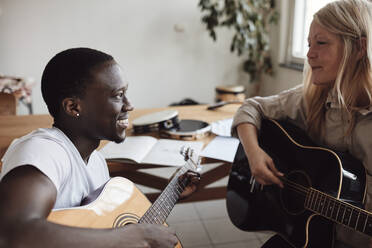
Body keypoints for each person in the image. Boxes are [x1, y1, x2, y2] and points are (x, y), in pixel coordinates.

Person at [0, 47, 200, 248]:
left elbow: (98, 223)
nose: (129, 105)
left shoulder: (96, 162)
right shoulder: (44, 151)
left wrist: (171, 194)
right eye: (118, 95)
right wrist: (136, 236)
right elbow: (13, 233)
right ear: (73, 107)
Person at [231, 0, 372, 247]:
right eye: (308, 44)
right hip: (315, 234)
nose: (309, 54)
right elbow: (251, 108)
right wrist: (254, 155)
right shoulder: (312, 98)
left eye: (321, 42)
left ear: (360, 48)